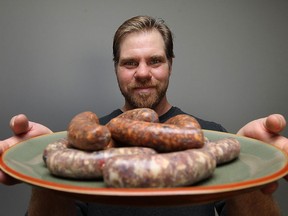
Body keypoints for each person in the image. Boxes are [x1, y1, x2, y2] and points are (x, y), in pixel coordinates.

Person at [1, 15, 287, 216]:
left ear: (170, 65)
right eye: (129, 63)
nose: (142, 73)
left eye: (154, 60)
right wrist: (46, 175)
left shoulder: (209, 137)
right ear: (116, 68)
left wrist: (251, 172)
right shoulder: (91, 138)